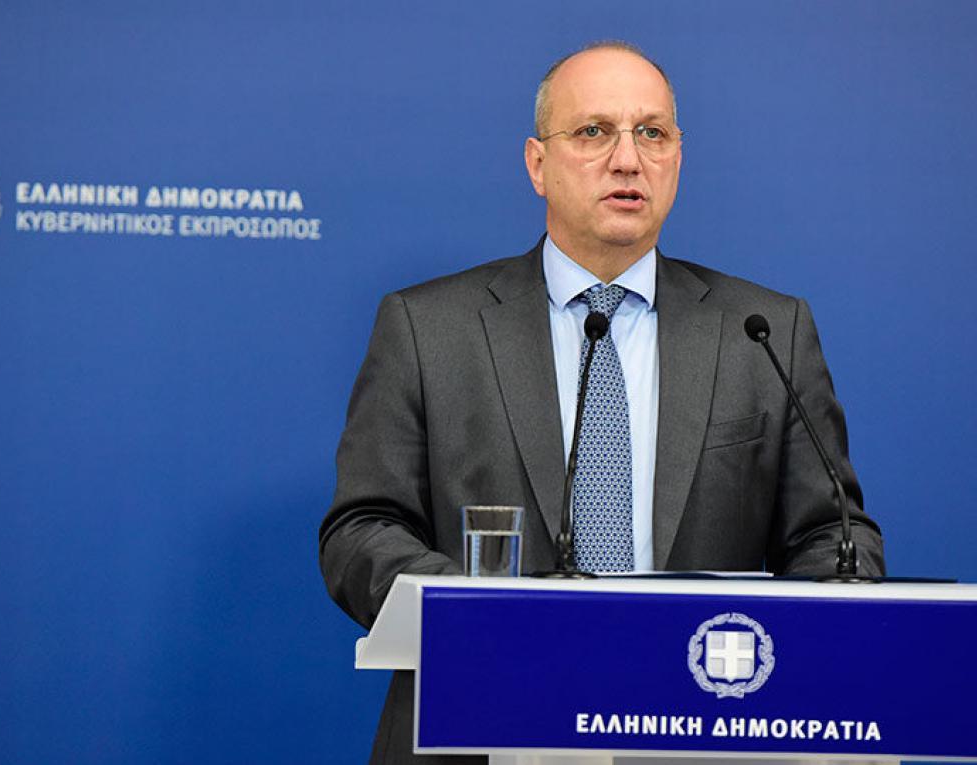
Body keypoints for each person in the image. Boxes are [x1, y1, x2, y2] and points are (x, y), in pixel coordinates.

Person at [319, 41, 885, 764]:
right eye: (593, 132)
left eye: (652, 133)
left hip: (699, 731)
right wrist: (479, 613)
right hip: (482, 721)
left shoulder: (765, 331)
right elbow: (362, 528)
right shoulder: (429, 328)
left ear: (678, 158)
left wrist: (818, 629)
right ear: (537, 164)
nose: (627, 159)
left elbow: (831, 535)